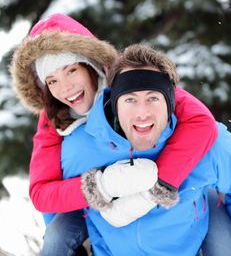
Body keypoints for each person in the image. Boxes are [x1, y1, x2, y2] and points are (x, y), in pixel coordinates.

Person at [10, 15, 218, 255]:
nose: (65, 88)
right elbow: (41, 193)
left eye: (71, 71)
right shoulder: (53, 117)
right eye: (52, 80)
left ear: (91, 64)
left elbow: (201, 120)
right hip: (93, 202)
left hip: (158, 189)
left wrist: (160, 182)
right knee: (56, 238)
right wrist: (101, 186)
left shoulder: (129, 80)